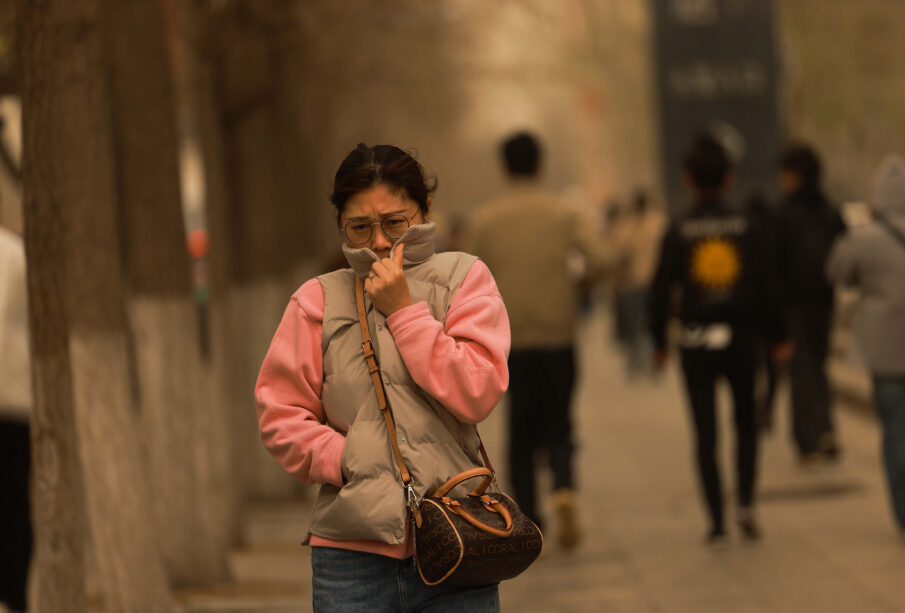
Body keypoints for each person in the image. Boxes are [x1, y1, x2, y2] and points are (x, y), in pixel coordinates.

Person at [255, 144, 509, 612]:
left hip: (458, 542)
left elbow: (477, 391)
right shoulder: (316, 300)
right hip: (350, 558)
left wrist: (406, 314)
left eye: (395, 223)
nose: (377, 241)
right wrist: (346, 458)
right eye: (359, 227)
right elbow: (280, 414)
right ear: (340, 226)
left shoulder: (465, 279)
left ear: (425, 210)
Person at [468, 131, 606, 550]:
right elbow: (599, 259)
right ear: (540, 164)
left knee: (522, 430)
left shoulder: (485, 220)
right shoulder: (563, 214)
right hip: (558, 334)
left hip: (510, 342)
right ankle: (564, 485)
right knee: (561, 420)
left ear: (505, 167)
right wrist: (578, 290)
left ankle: (529, 519)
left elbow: (465, 277)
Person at [649, 134, 789, 544]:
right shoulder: (749, 225)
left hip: (695, 343)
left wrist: (659, 341)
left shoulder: (678, 228)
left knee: (705, 433)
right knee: (746, 423)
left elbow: (661, 290)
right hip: (743, 338)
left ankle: (716, 519)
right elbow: (768, 284)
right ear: (728, 178)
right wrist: (779, 335)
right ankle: (745, 501)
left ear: (688, 180)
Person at [826, 154, 905, 537]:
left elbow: (837, 273)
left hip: (885, 351)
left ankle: (903, 510)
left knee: (894, 429)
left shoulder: (864, 238)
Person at [775, 144, 846, 462]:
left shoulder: (785, 213)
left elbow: (772, 262)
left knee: (803, 369)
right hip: (823, 301)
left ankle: (810, 436)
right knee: (816, 366)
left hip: (794, 303)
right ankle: (821, 431)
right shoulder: (830, 211)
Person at [0, 222, 32, 613]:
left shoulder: (8, 252)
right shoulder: (13, 250)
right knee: (13, 506)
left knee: (11, 507)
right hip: (16, 399)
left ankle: (13, 595)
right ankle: (15, 596)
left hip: (9, 400)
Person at [615, 190, 667, 377]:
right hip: (650, 281)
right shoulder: (659, 223)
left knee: (638, 323)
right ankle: (649, 359)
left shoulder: (629, 225)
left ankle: (641, 361)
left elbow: (618, 251)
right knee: (648, 322)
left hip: (636, 281)